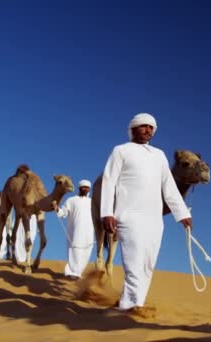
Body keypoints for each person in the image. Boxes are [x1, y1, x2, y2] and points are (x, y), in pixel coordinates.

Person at [100, 112, 192, 316]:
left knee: (148, 263)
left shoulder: (158, 155)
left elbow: (169, 187)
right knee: (134, 260)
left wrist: (182, 213)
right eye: (143, 126)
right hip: (128, 215)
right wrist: (107, 212)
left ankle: (133, 302)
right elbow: (109, 181)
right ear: (132, 129)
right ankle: (130, 307)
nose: (147, 130)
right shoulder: (121, 150)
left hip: (154, 218)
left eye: (151, 127)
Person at [53, 179, 95, 280]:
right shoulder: (71, 200)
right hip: (75, 231)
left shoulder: (93, 202)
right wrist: (56, 208)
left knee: (87, 251)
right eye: (83, 187)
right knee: (75, 249)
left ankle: (78, 272)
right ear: (79, 188)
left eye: (87, 188)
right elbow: (63, 213)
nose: (85, 189)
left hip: (89, 231)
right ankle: (72, 272)